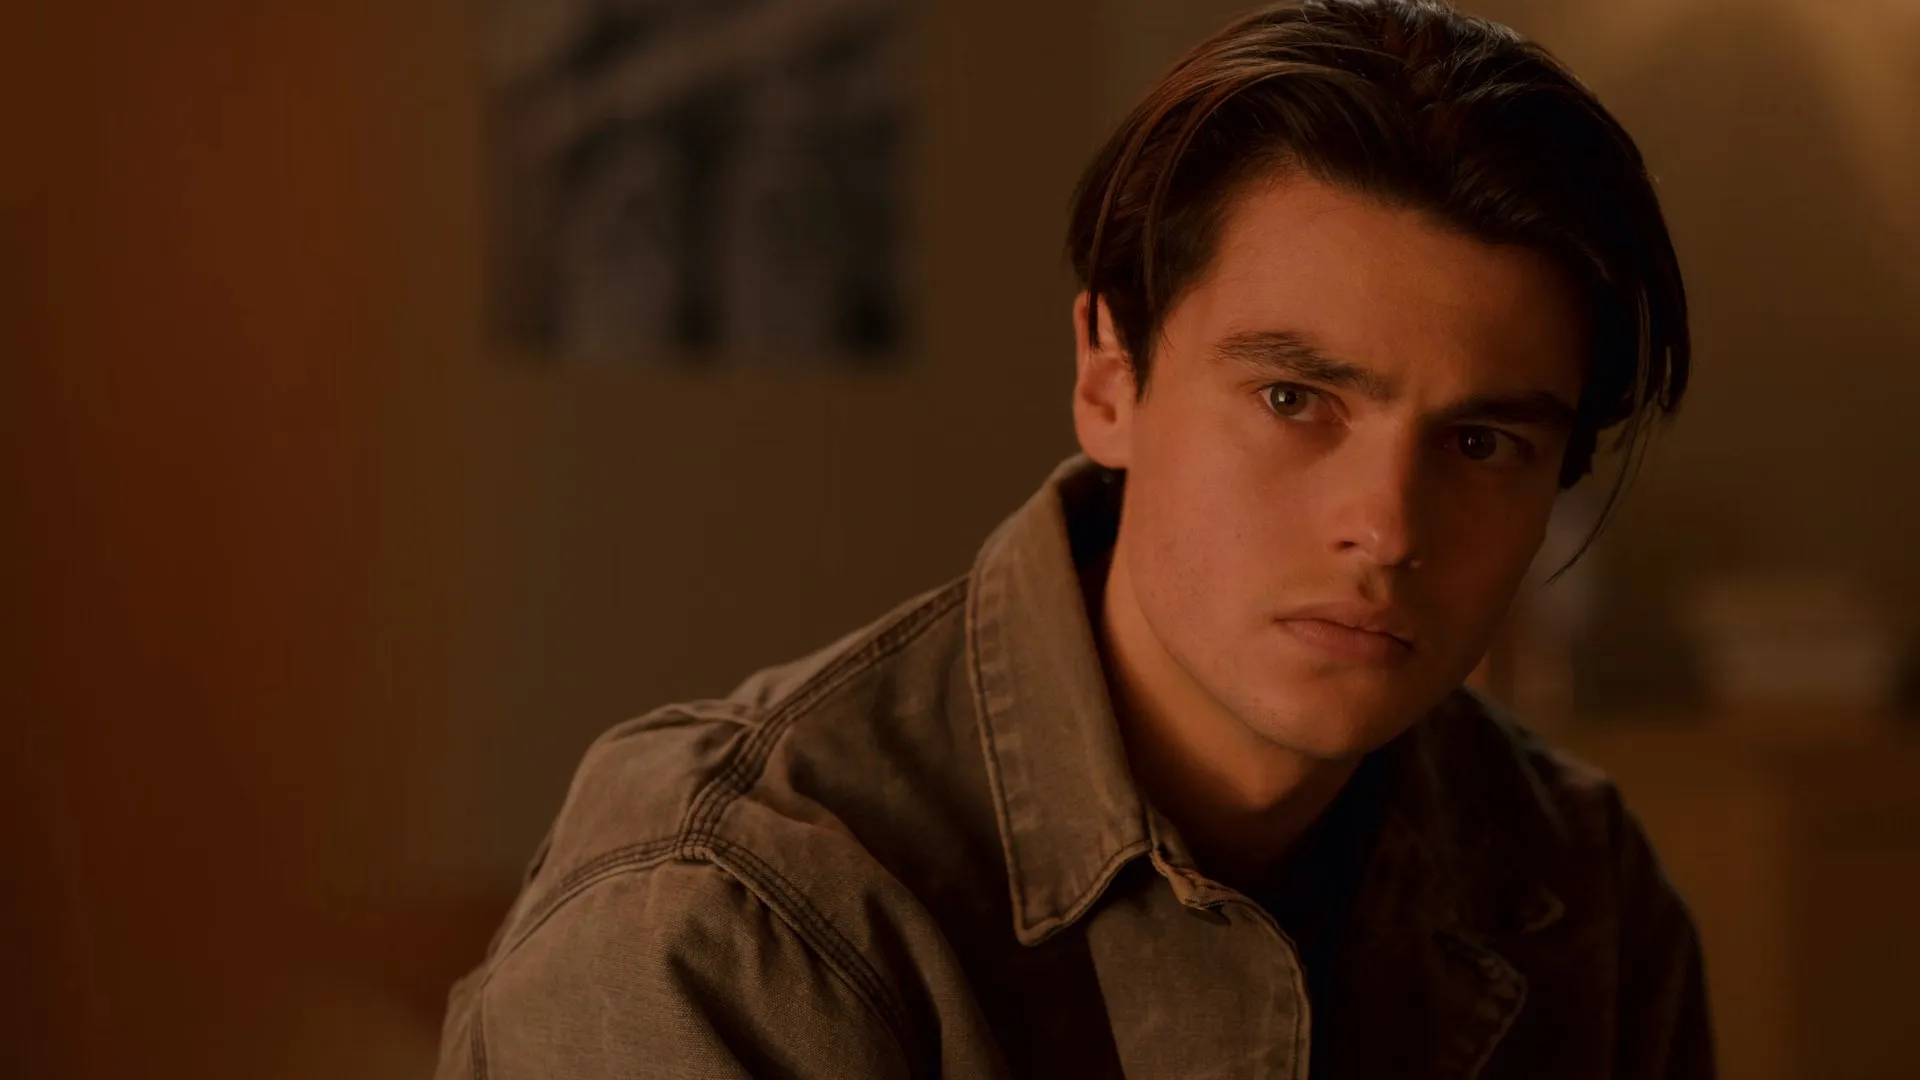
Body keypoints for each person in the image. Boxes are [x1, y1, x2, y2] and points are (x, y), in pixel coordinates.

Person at [435, 1, 1712, 1076]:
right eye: (1292, 399)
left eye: (1482, 443)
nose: (1384, 527)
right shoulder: (722, 916)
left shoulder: (1576, 881)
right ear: (1110, 378)